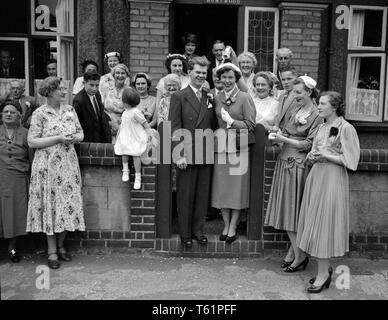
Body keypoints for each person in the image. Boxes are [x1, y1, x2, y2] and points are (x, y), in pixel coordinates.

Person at [296, 91, 360, 293]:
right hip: (317, 176)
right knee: (314, 223)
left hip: (332, 179)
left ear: (334, 107)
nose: (319, 107)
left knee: (324, 225)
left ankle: (323, 274)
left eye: (323, 104)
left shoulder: (346, 128)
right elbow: (316, 152)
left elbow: (352, 161)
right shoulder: (322, 127)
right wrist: (313, 157)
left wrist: (326, 154)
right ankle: (324, 269)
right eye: (319, 103)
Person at [265, 75, 322, 272]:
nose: (294, 96)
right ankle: (294, 252)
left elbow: (309, 144)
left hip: (298, 166)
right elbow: (287, 133)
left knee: (292, 212)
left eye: (298, 92)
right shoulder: (296, 109)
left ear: (309, 92)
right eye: (292, 92)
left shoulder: (316, 115)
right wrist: (277, 134)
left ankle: (300, 256)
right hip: (284, 162)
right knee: (288, 210)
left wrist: (285, 139)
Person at [26, 77, 85, 269]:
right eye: (59, 89)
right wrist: (58, 138)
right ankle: (52, 251)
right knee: (50, 206)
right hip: (47, 167)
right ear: (49, 91)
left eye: (65, 89)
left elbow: (81, 134)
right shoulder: (40, 113)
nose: (63, 92)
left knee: (68, 204)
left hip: (68, 166)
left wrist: (73, 138)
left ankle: (61, 246)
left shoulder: (70, 110)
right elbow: (32, 142)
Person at [169, 56, 217, 247]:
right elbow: (174, 127)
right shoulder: (179, 96)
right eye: (197, 72)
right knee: (185, 195)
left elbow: (213, 124)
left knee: (201, 195)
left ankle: (198, 231)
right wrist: (178, 154)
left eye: (204, 73)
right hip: (186, 153)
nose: (200, 76)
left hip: (205, 152)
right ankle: (185, 234)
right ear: (189, 73)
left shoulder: (209, 96)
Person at [211, 63, 256, 244]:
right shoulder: (216, 97)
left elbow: (251, 125)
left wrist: (232, 122)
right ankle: (225, 223)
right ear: (219, 79)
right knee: (222, 187)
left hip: (240, 146)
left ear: (236, 78)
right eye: (224, 77)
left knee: (237, 188)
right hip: (221, 145)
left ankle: (233, 226)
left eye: (231, 77)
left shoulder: (245, 97)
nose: (227, 81)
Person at [0, 101, 30, 262]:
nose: (9, 114)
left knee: (15, 215)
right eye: (5, 112)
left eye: (12, 112)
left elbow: (32, 158)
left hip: (18, 181)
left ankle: (12, 248)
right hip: (1, 179)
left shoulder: (26, 133)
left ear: (20, 115)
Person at [114, 87, 158, 188]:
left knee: (136, 154)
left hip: (135, 136)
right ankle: (125, 170)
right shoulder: (125, 112)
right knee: (124, 151)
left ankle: (138, 176)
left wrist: (151, 136)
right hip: (126, 136)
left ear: (126, 102)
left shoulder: (135, 112)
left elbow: (145, 124)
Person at [73, 71, 112, 143]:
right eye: (91, 85)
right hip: (88, 141)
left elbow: (100, 113)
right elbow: (76, 123)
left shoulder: (97, 94)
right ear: (84, 83)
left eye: (97, 85)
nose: (94, 89)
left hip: (101, 137)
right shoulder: (79, 100)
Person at [100, 63, 130, 143]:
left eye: (123, 73)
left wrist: (119, 125)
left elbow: (130, 111)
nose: (120, 75)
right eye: (117, 73)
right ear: (113, 75)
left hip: (122, 126)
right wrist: (109, 123)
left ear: (127, 75)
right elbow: (100, 107)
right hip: (106, 124)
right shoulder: (105, 87)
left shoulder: (129, 91)